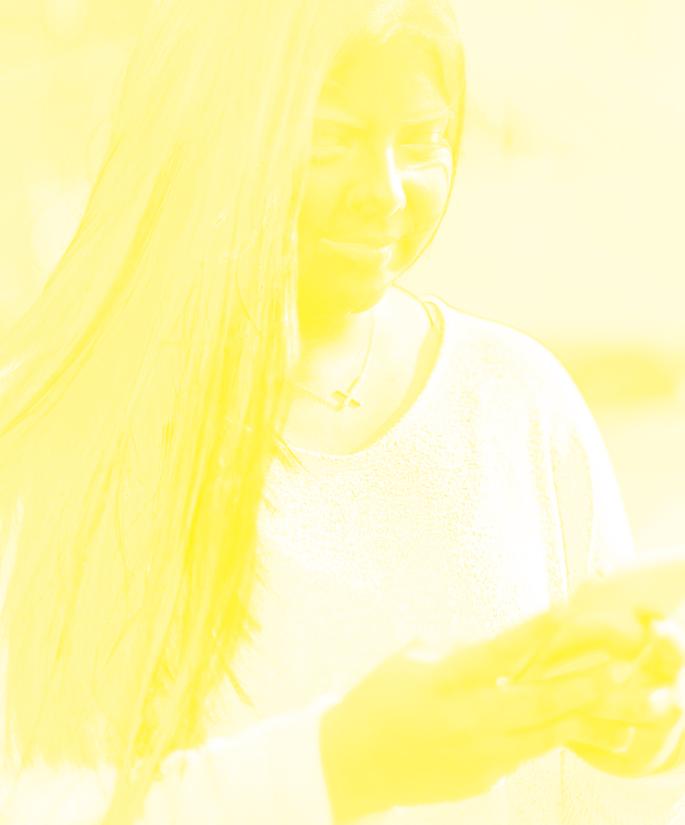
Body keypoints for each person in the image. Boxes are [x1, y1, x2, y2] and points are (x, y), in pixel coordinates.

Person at [2, 0, 685, 823]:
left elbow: (598, 793)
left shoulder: (518, 401)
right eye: (331, 140)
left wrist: (643, 746)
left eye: (422, 139)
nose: (385, 192)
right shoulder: (56, 431)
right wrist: (337, 767)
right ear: (211, 136)